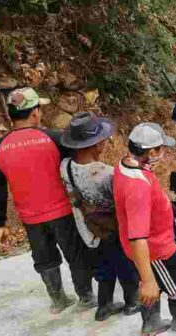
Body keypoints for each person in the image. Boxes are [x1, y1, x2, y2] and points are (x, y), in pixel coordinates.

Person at [0, 87, 96, 314]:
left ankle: (58, 300)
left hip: (31, 218)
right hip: (63, 213)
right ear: (35, 113)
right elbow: (76, 170)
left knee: (44, 259)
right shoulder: (54, 138)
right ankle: (86, 297)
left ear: (11, 114)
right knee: (75, 256)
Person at [114, 122, 176, 334]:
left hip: (150, 243)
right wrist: (148, 280)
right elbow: (138, 237)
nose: (164, 152)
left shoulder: (126, 164)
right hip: (154, 248)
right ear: (151, 152)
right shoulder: (137, 185)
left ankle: (151, 323)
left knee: (158, 280)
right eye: (161, 148)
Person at [59, 112, 142, 321]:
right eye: (103, 141)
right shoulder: (107, 173)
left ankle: (104, 307)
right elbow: (122, 202)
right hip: (111, 231)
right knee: (125, 265)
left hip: (87, 230)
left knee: (103, 268)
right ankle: (132, 302)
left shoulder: (65, 166)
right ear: (96, 145)